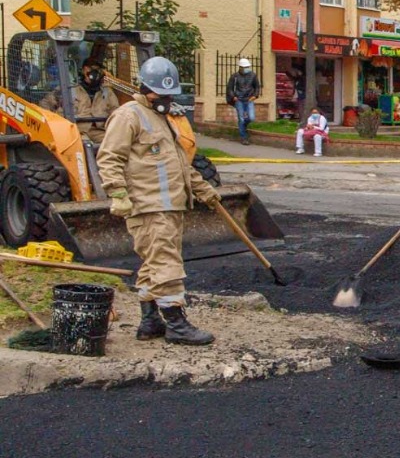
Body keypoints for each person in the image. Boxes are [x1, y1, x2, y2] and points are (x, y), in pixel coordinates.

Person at [98, 56, 220, 346]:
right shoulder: (128, 116)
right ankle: (177, 325)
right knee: (166, 263)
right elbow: (109, 158)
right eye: (158, 94)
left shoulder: (163, 119)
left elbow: (179, 163)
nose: (164, 99)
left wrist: (203, 189)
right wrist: (117, 194)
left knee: (153, 264)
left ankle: (150, 321)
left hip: (169, 206)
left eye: (168, 94)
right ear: (144, 88)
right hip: (148, 206)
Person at [39, 59, 119, 145]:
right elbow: (45, 104)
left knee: (115, 142)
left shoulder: (107, 92)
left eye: (99, 70)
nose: (97, 73)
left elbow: (116, 112)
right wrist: (54, 124)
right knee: (86, 145)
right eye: (94, 69)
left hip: (97, 130)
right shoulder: (69, 88)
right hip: (75, 129)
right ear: (85, 70)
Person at [225, 58, 260, 145]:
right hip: (239, 99)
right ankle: (244, 137)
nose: (246, 68)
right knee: (241, 118)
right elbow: (229, 88)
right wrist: (233, 97)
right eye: (244, 67)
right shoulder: (235, 76)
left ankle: (244, 126)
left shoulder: (253, 75)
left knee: (251, 117)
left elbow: (257, 87)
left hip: (249, 99)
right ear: (240, 67)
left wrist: (255, 96)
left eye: (247, 67)